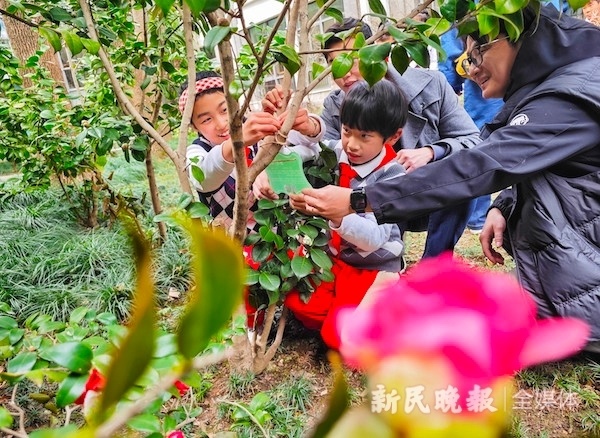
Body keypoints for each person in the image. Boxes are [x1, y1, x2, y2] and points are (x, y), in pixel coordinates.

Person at [292, 5, 600, 351]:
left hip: (410, 197)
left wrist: (427, 156)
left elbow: (480, 157)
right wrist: (506, 204)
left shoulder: (564, 94)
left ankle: (429, 277)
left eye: (477, 52)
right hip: (378, 210)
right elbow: (326, 144)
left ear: (379, 51)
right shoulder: (337, 102)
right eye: (466, 57)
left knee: (458, 193)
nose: (471, 68)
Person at [320, 18, 481, 259]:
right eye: (334, 63)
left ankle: (433, 268)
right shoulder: (334, 105)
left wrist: (430, 152)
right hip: (366, 206)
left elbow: (472, 140)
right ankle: (381, 265)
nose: (344, 72)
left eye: (351, 58)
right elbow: (323, 157)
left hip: (423, 196)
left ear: (374, 53)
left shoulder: (431, 85)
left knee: (462, 177)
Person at [180, 70, 324, 330]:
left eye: (225, 110)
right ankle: (250, 325)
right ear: (194, 126)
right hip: (237, 244)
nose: (222, 123)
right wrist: (236, 142)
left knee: (304, 282)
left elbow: (308, 143)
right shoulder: (199, 151)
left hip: (276, 235)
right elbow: (205, 177)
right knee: (246, 300)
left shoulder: (256, 127)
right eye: (206, 119)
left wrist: (306, 123)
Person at [286, 79, 408, 350]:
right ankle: (347, 312)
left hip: (373, 266)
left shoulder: (392, 176)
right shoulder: (339, 153)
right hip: (337, 260)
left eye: (364, 136)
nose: (351, 144)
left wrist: (337, 215)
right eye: (346, 131)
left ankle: (390, 305)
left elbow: (375, 238)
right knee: (300, 303)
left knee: (345, 341)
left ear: (393, 137)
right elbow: (308, 149)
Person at [439, 27, 504, 233]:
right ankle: (479, 217)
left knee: (480, 150)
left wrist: (449, 84)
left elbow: (450, 46)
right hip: (505, 88)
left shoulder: (464, 8)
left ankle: (478, 216)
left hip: (485, 96)